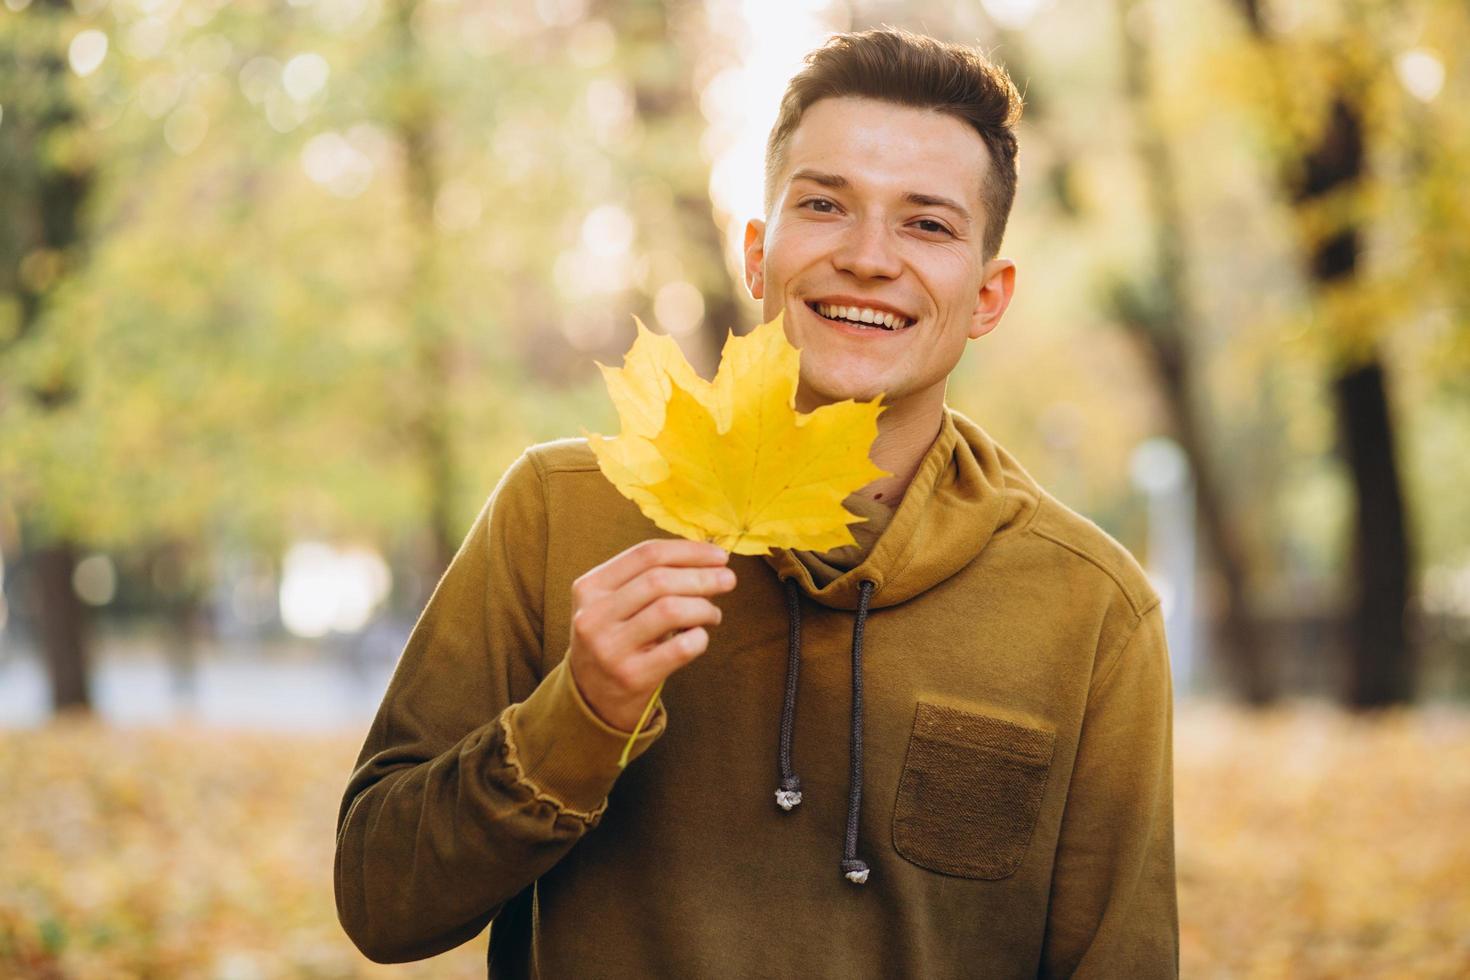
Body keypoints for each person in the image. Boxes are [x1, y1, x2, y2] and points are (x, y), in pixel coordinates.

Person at [335, 27, 1178, 978]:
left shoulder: (1090, 610)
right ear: (756, 253)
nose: (867, 256)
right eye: (824, 204)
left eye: (927, 224)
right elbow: (380, 901)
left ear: (988, 296)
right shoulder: (561, 511)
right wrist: (581, 715)